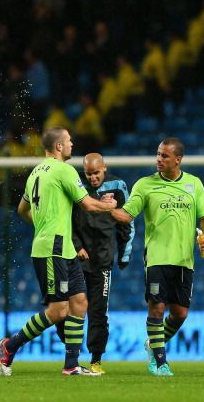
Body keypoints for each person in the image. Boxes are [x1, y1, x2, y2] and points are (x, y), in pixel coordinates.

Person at [0, 127, 117, 376]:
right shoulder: (64, 170)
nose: (72, 144)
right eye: (69, 141)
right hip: (53, 248)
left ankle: (71, 365)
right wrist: (108, 206)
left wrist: (41, 224)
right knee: (58, 310)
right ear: (59, 147)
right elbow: (87, 205)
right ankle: (11, 345)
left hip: (64, 249)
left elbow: (22, 209)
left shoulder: (35, 173)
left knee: (79, 302)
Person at [110, 137, 204, 377]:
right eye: (158, 154)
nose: (159, 159)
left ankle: (152, 344)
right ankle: (160, 361)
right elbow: (127, 215)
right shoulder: (145, 185)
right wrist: (107, 208)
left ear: (178, 159)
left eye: (164, 156)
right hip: (156, 257)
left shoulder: (194, 184)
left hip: (184, 260)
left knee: (180, 314)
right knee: (156, 308)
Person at [71, 153, 135, 374]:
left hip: (102, 260)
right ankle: (71, 357)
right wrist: (76, 245)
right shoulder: (75, 182)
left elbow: (127, 220)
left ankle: (95, 360)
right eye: (88, 173)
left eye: (96, 173)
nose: (92, 178)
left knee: (98, 311)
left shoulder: (117, 185)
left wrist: (124, 254)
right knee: (69, 309)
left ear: (104, 169)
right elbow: (66, 219)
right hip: (77, 258)